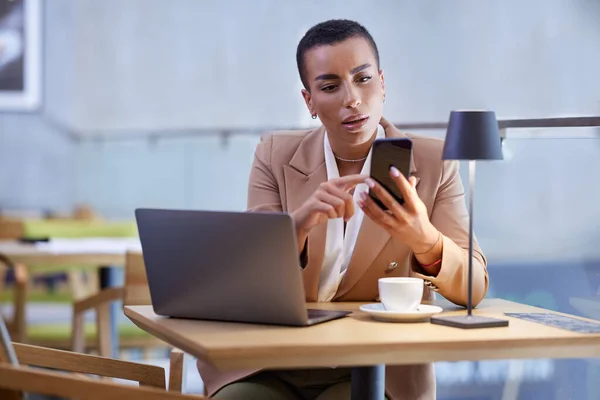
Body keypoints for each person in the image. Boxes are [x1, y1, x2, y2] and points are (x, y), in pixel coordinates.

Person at [199, 19, 488, 400]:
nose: (352, 98)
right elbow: (252, 280)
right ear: (309, 102)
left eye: (363, 78)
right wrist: (299, 224)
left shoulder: (432, 162)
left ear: (382, 83)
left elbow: (474, 289)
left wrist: (425, 241)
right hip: (272, 360)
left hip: (375, 367)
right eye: (331, 86)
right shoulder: (275, 154)